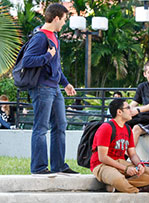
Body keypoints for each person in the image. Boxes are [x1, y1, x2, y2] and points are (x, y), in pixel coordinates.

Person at [22, 3, 78, 176]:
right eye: (64, 19)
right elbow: (27, 61)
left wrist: (66, 83)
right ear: (56, 18)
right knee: (41, 128)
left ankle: (58, 165)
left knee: (60, 125)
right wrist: (48, 55)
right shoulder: (40, 37)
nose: (64, 23)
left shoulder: (54, 37)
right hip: (41, 88)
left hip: (54, 88)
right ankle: (38, 168)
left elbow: (56, 67)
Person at [90, 98, 149, 193]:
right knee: (117, 179)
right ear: (119, 112)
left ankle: (119, 187)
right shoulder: (106, 128)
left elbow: (132, 154)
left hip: (120, 162)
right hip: (102, 165)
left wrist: (139, 165)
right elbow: (103, 158)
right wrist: (125, 169)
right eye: (128, 108)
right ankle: (137, 189)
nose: (131, 110)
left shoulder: (128, 129)